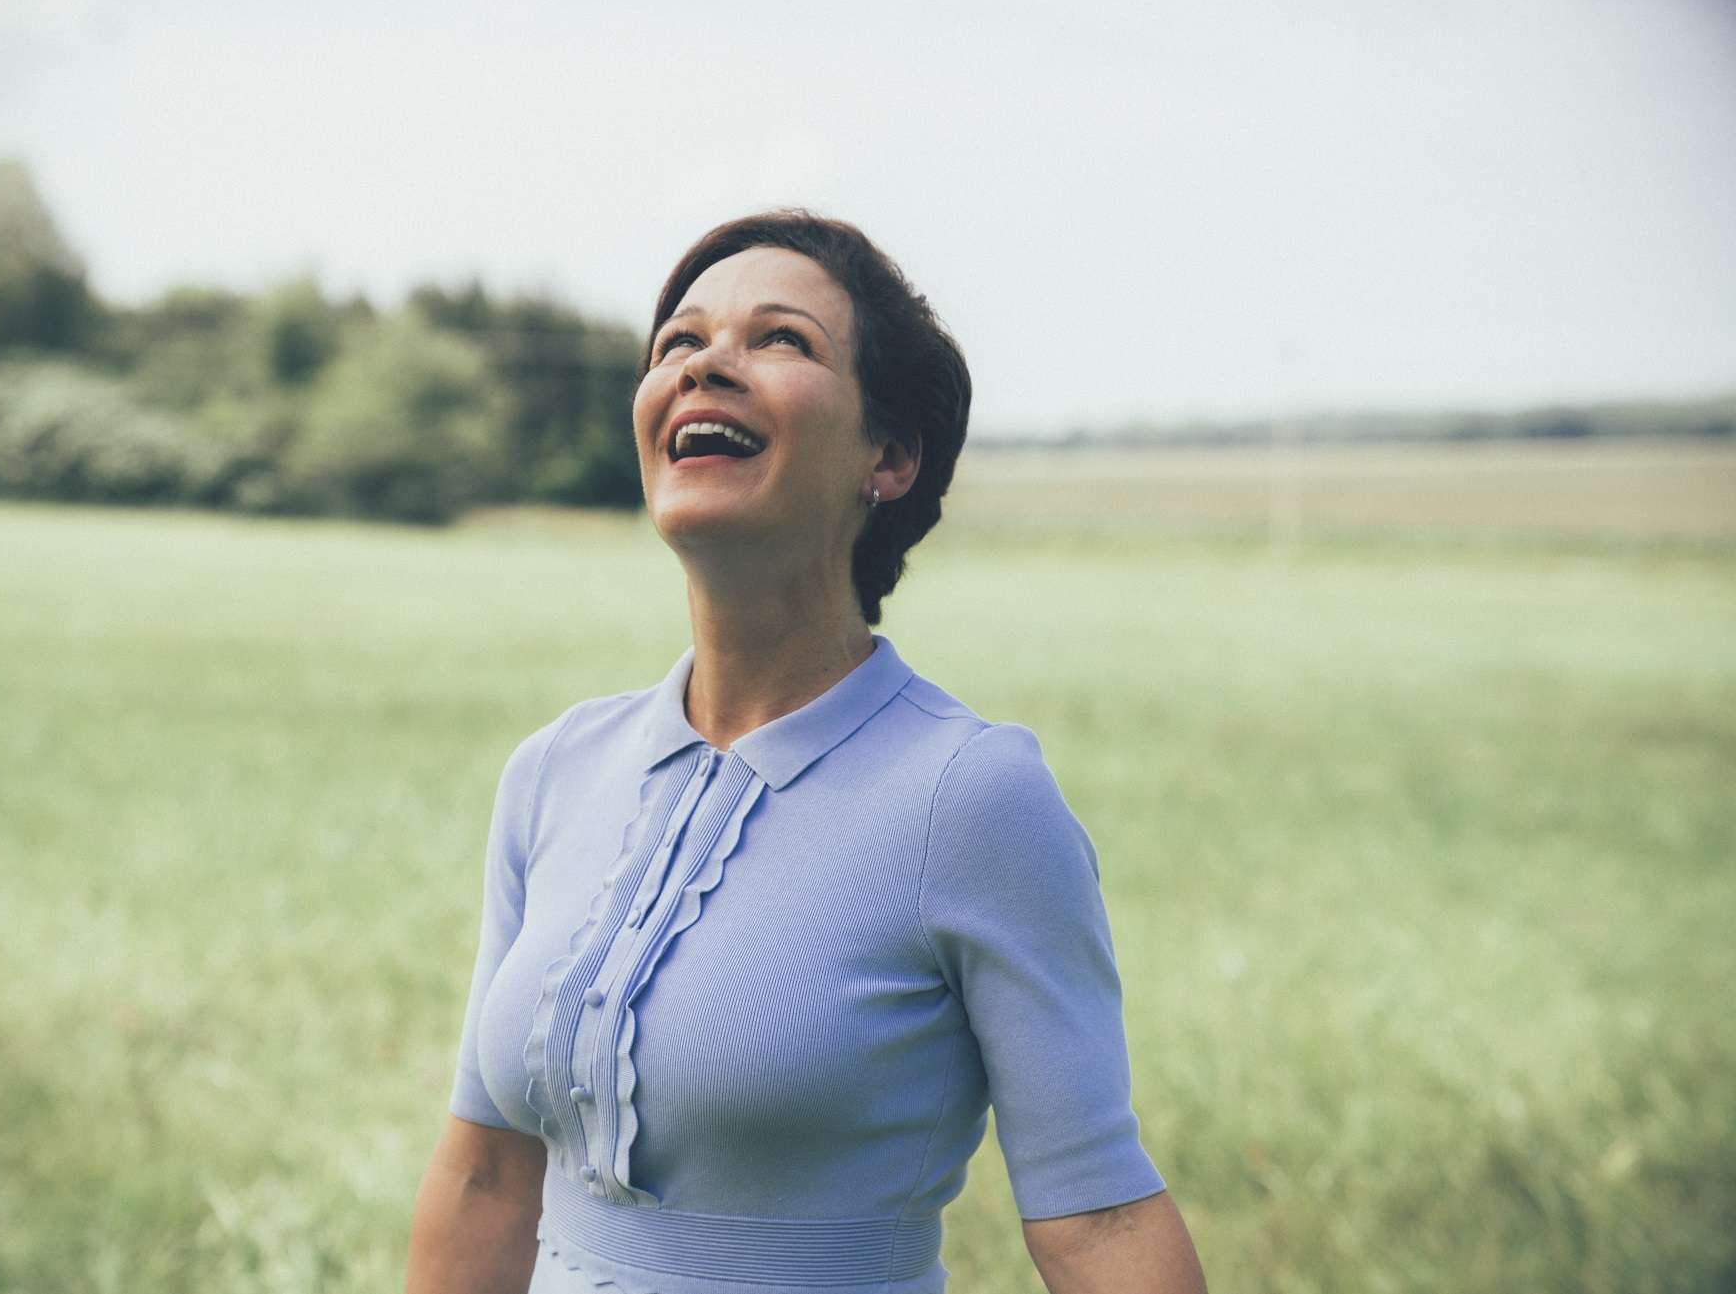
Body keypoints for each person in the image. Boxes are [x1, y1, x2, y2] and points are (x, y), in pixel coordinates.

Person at [406, 211, 1207, 1294]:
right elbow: (488, 1178)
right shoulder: (556, 769)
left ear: (890, 456)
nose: (707, 367)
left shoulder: (970, 797)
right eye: (677, 345)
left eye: (780, 339)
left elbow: (1100, 1224)